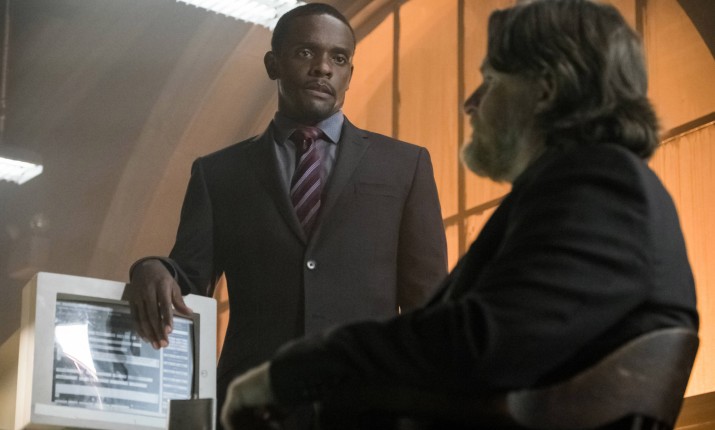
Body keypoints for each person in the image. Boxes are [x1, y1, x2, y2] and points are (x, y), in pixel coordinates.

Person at [219, 0, 699, 428]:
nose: (471, 102)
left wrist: (296, 369)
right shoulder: (585, 189)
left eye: (491, 81)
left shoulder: (599, 186)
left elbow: (482, 343)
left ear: (545, 91)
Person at [124, 2, 448, 428]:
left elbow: (428, 306)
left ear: (349, 74)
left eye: (338, 58)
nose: (323, 68)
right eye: (305, 52)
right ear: (272, 64)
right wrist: (149, 268)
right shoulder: (218, 173)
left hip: (368, 407)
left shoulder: (405, 165)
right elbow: (189, 279)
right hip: (252, 408)